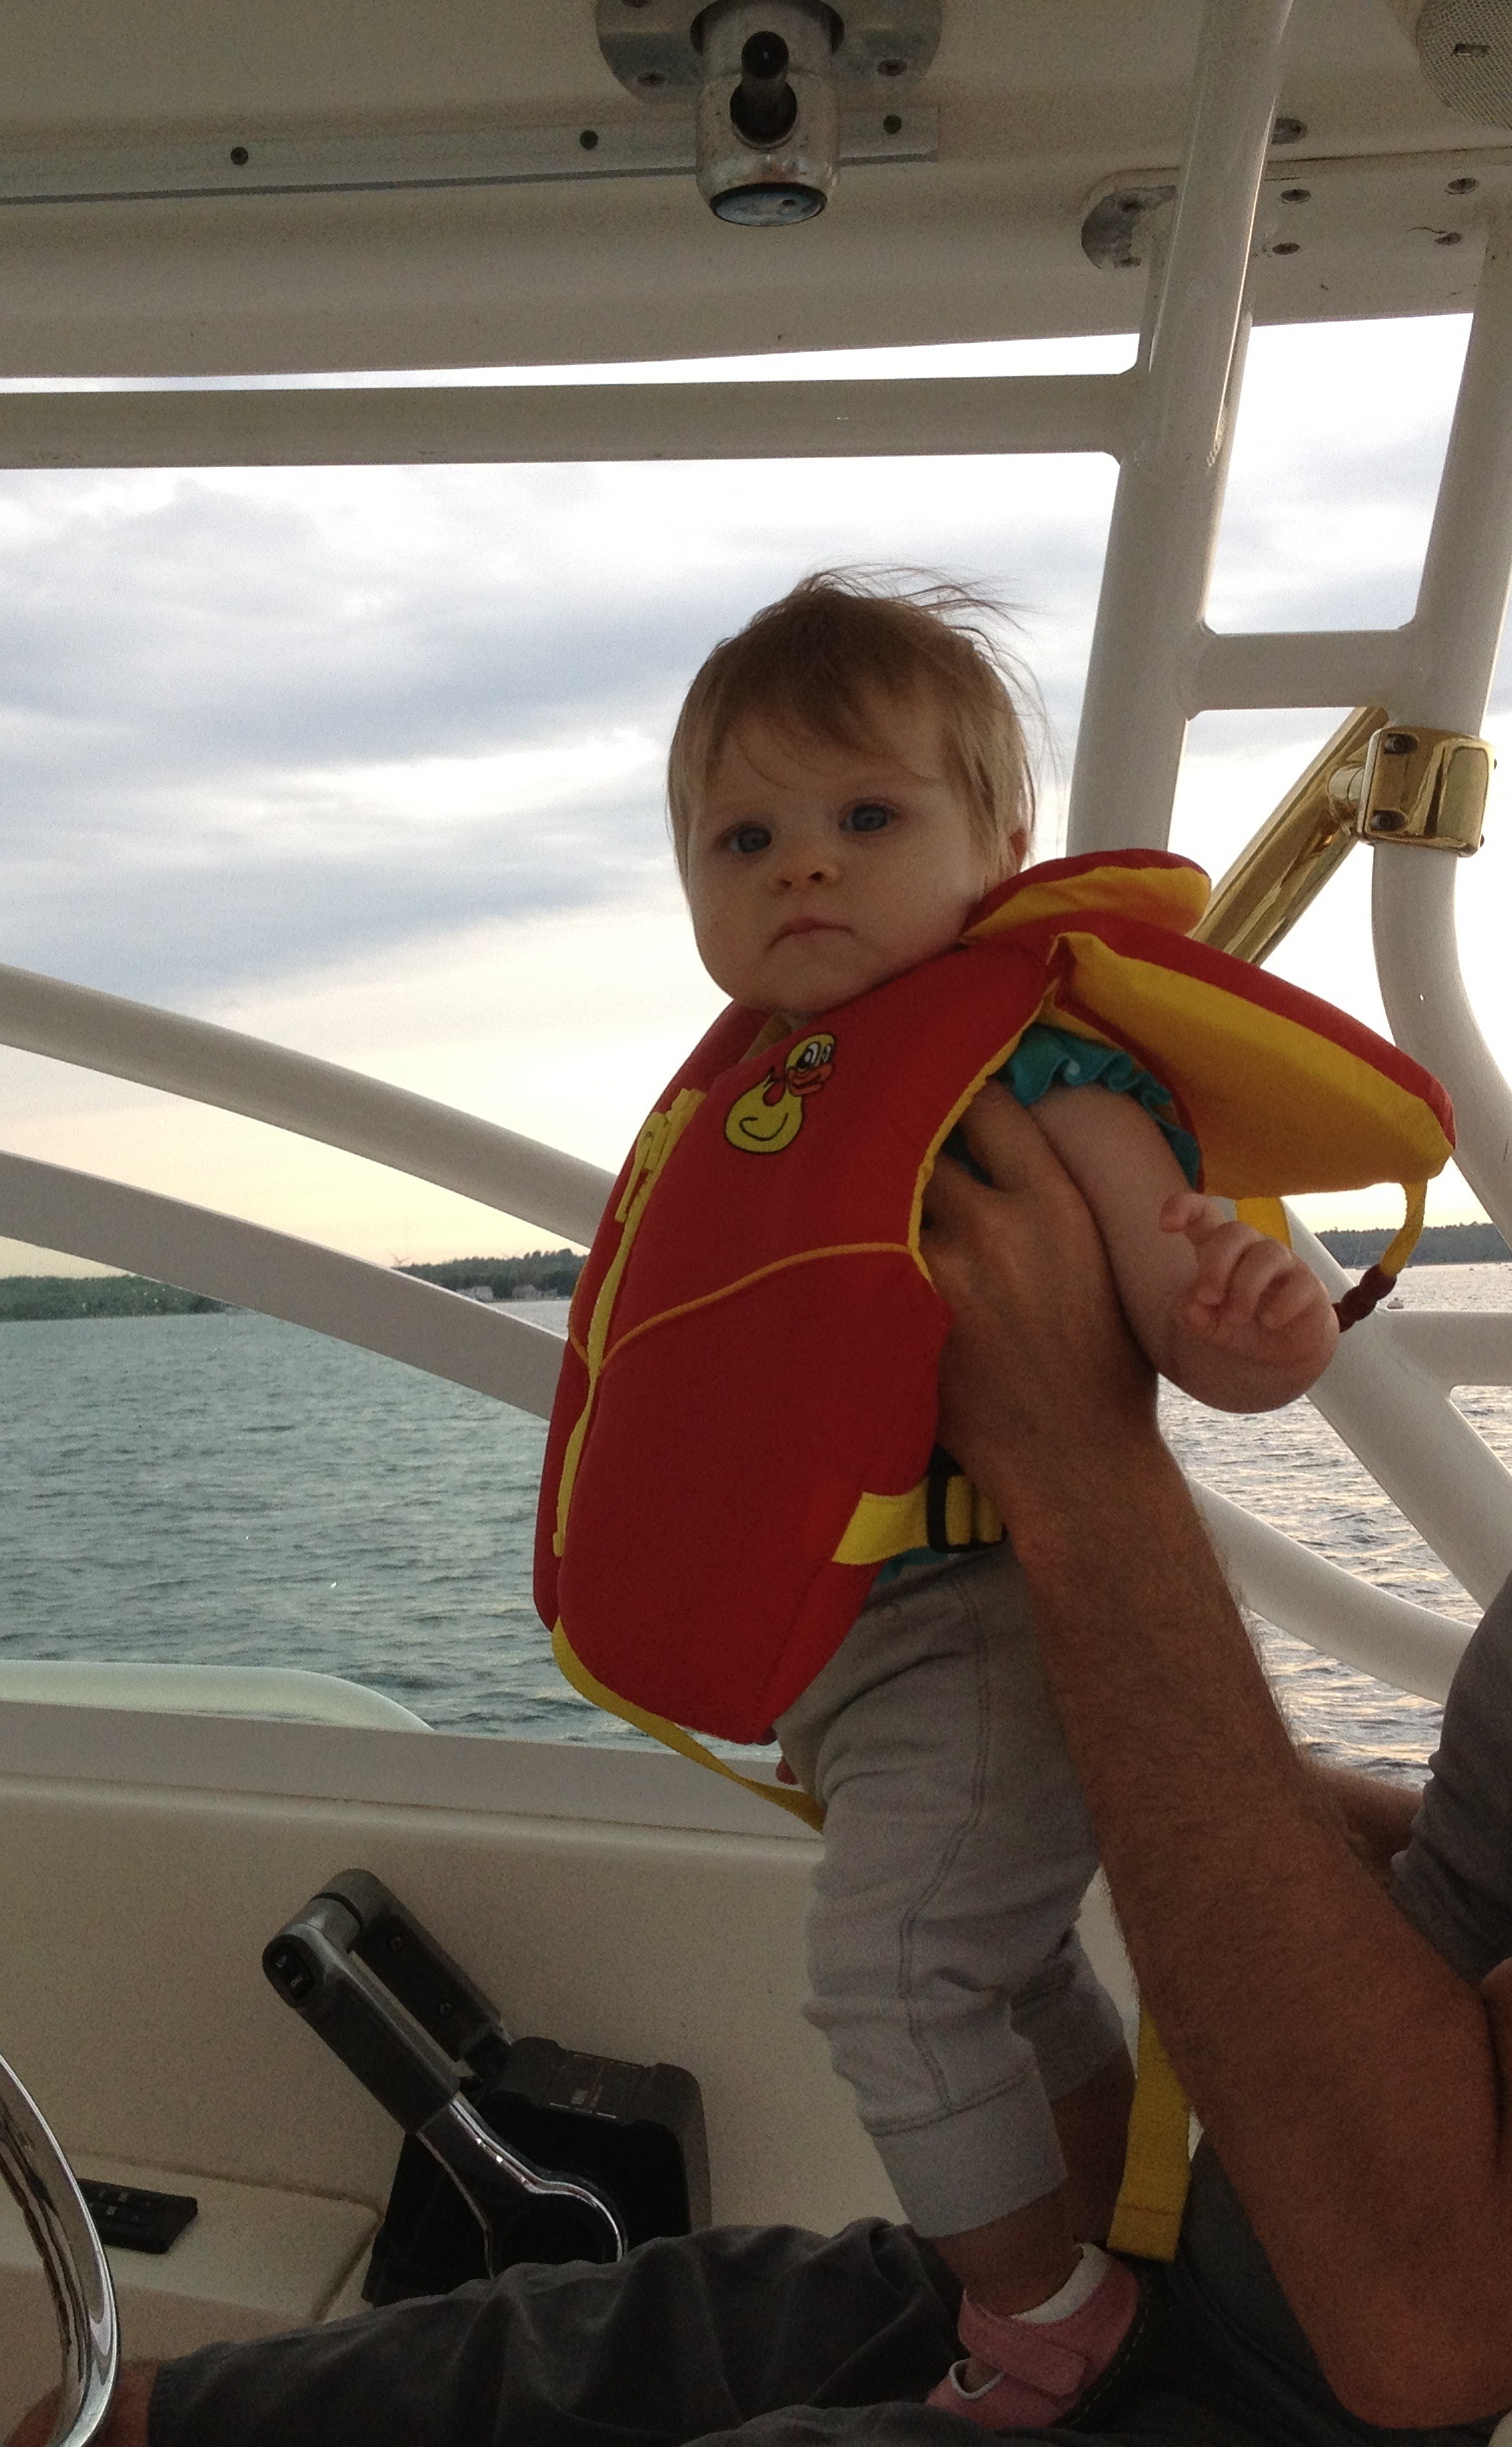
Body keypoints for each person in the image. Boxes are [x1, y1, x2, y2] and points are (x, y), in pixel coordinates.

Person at [103, 382, 1512, 2445]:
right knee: (203, 2412)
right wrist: (1035, 1753)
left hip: (1377, 2398)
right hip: (1190, 2287)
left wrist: (1072, 1457)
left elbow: (1441, 2300)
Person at [602, 571, 1347, 2424]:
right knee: (995, 1969)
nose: (804, 866)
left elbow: (1195, 1323)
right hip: (855, 1649)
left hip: (992, 1624)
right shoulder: (761, 1101)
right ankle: (1104, 2241)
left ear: (1001, 849)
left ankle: (1039, 2317)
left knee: (890, 1975)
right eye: (744, 838)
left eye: (868, 818)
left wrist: (1254, 1319)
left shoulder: (1034, 1066)